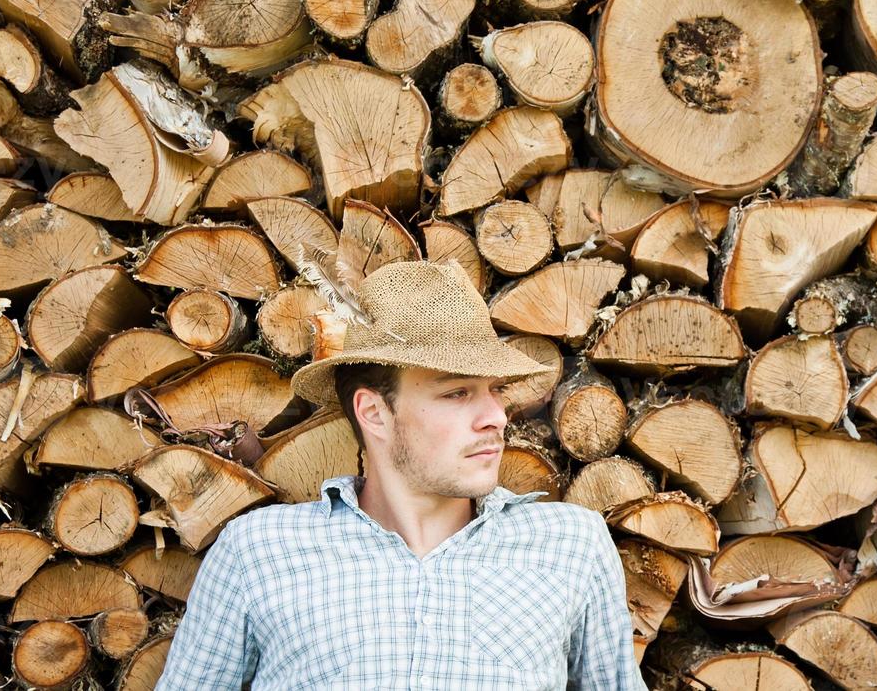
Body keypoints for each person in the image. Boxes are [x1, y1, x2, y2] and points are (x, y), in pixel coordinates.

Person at [155, 260, 647, 690]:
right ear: (374, 413)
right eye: (456, 393)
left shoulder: (571, 547)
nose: (495, 416)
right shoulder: (257, 554)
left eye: (494, 390)